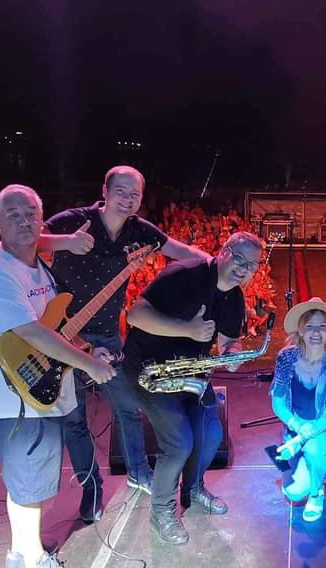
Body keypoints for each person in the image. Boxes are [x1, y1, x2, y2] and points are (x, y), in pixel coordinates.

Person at [39, 165, 210, 522]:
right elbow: (29, 241)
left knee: (129, 406)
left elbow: (181, 251)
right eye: (121, 191)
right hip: (63, 335)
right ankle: (91, 489)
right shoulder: (74, 221)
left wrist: (220, 263)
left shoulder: (139, 231)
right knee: (74, 419)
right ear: (105, 191)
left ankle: (138, 472)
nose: (128, 199)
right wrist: (65, 243)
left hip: (106, 335)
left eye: (135, 194)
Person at [0, 184, 116, 568]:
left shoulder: (39, 268)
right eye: (13, 215)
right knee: (31, 480)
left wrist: (88, 350)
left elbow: (54, 326)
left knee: (26, 479)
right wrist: (88, 365)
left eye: (31, 213)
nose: (24, 221)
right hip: (17, 398)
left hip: (41, 391)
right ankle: (34, 564)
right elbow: (31, 332)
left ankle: (20, 552)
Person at [122, 231, 263, 545]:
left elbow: (229, 339)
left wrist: (231, 354)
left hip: (189, 370)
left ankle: (193, 489)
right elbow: (136, 315)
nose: (243, 269)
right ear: (223, 251)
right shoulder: (185, 274)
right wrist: (187, 329)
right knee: (179, 444)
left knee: (210, 433)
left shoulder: (234, 297)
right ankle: (161, 512)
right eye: (239, 259)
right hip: (150, 370)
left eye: (251, 265)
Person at [270, 297, 326, 521]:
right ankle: (306, 466)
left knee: (315, 447)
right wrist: (296, 426)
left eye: (322, 326)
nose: (316, 332)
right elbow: (278, 402)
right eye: (310, 326)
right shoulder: (286, 357)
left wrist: (300, 439)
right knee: (293, 492)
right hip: (297, 425)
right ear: (300, 330)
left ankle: (317, 493)